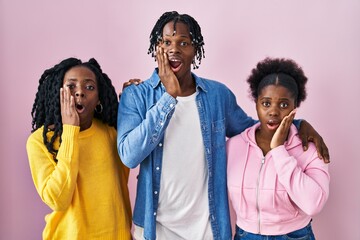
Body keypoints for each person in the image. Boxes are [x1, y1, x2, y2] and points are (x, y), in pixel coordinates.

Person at [117, 11, 329, 240]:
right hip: (154, 227)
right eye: (166, 42)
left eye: (184, 43)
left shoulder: (217, 95)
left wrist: (298, 123)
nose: (174, 49)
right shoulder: (136, 96)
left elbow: (254, 128)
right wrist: (169, 97)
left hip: (207, 228)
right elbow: (129, 156)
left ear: (195, 49)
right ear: (156, 47)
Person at [26, 57, 132, 239]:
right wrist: (70, 131)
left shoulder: (112, 134)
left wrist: (131, 108)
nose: (80, 92)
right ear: (57, 93)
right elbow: (58, 200)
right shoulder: (39, 142)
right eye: (71, 86)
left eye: (89, 87)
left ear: (99, 98)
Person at [227, 57, 330, 240]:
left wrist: (279, 150)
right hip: (245, 235)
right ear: (256, 104)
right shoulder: (234, 146)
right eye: (266, 103)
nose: (273, 111)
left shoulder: (310, 148)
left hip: (294, 235)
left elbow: (314, 204)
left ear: (295, 106)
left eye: (283, 104)